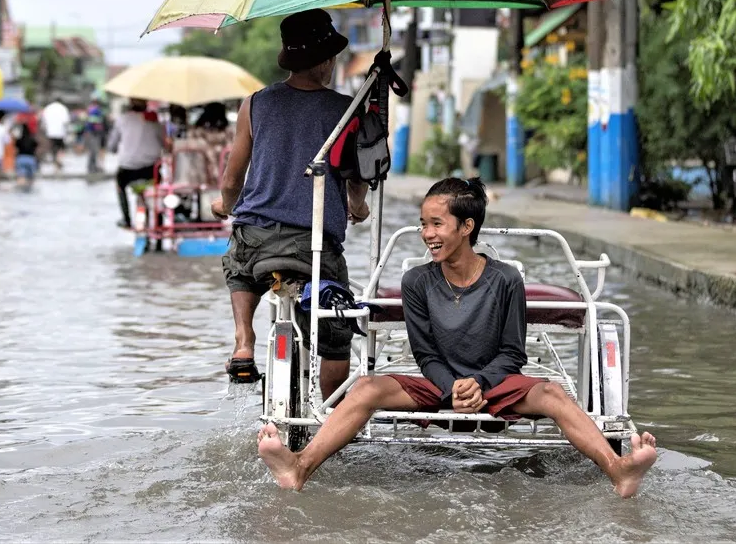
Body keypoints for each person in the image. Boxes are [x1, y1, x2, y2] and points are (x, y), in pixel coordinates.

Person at [256, 177, 658, 498]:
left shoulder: (506, 279)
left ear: (467, 227)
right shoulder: (416, 281)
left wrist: (478, 383)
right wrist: (453, 387)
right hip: (438, 382)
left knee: (553, 393)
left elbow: (512, 354)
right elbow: (425, 354)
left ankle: (618, 469)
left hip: (496, 383)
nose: (426, 233)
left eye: (437, 224)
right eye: (423, 224)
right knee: (364, 388)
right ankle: (300, 466)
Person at [211, 8, 370, 391]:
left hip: (256, 239)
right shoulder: (346, 110)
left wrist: (226, 206)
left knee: (238, 267)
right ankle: (331, 412)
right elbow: (357, 176)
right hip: (313, 247)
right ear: (327, 60)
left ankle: (244, 338)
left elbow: (232, 179)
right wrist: (358, 207)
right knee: (336, 337)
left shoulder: (254, 104)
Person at [107, 98, 166, 229]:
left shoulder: (122, 119)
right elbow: (165, 144)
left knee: (120, 185)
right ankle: (159, 222)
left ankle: (126, 218)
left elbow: (111, 147)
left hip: (128, 169)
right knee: (158, 192)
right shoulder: (155, 121)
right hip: (151, 169)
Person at [41, 97, 70, 170]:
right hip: (60, 131)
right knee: (60, 147)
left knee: (52, 147)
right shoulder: (63, 108)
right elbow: (66, 121)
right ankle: (58, 160)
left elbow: (44, 120)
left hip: (50, 131)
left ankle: (55, 159)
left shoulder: (48, 108)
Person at [13, 121, 39, 190]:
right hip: (30, 159)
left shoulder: (19, 140)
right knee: (30, 178)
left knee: (21, 177)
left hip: (21, 158)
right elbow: (36, 149)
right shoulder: (32, 140)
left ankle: (20, 191)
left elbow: (15, 150)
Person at [84, 99, 107, 174]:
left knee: (93, 150)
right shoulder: (95, 110)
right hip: (94, 133)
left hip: (92, 132)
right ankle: (92, 167)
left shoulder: (90, 110)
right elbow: (94, 121)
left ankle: (92, 166)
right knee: (94, 150)